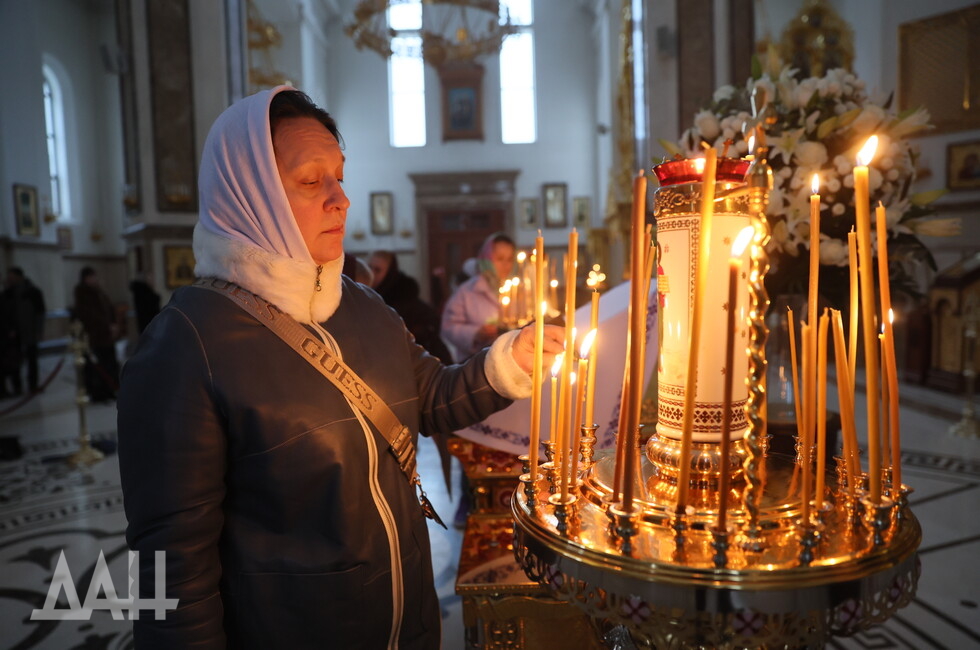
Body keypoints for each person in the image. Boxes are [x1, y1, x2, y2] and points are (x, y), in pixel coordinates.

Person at [116, 87, 562, 649]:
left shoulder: (363, 306)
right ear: (249, 195)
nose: (340, 199)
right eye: (311, 181)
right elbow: (172, 569)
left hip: (410, 624)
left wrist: (510, 360)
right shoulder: (186, 345)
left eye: (340, 176)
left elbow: (432, 397)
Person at [440, 232, 516, 361]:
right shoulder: (468, 290)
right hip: (475, 363)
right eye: (500, 258)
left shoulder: (516, 288)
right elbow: (448, 326)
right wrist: (475, 333)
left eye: (509, 259)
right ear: (487, 258)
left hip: (510, 359)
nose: (505, 265)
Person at [369, 250, 453, 363]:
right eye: (369, 267)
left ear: (389, 273)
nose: (371, 273)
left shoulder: (403, 303)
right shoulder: (369, 298)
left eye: (377, 270)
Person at [73, 266, 119, 402]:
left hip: (106, 336)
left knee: (109, 364)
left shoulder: (99, 292)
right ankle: (98, 393)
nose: (95, 279)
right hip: (95, 337)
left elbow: (109, 308)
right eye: (92, 277)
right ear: (86, 279)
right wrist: (106, 325)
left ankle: (110, 389)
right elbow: (88, 315)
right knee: (96, 367)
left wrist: (114, 323)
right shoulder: (82, 294)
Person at [2, 268, 45, 394]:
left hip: (30, 331)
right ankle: (17, 386)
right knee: (14, 360)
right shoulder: (8, 293)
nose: (10, 279)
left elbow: (40, 313)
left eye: (12, 276)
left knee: (32, 359)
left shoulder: (33, 292)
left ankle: (33, 384)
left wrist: (38, 331)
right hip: (14, 334)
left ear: (19, 276)